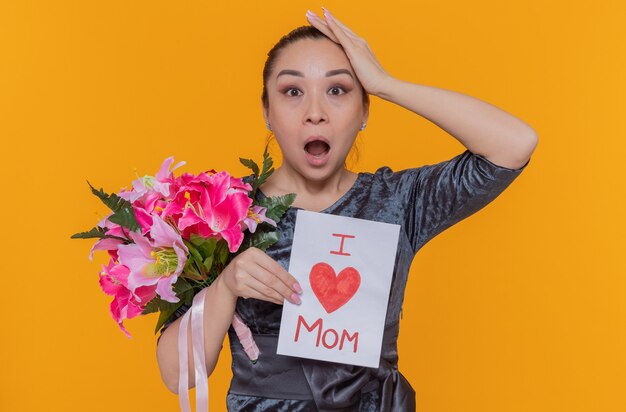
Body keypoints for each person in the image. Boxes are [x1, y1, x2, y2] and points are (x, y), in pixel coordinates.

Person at [156, 7, 538, 412]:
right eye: (293, 91)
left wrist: (386, 84)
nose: (315, 111)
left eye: (338, 90)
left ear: (365, 113)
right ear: (266, 111)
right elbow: (175, 375)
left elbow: (514, 144)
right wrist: (225, 286)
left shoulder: (398, 201)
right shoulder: (223, 209)